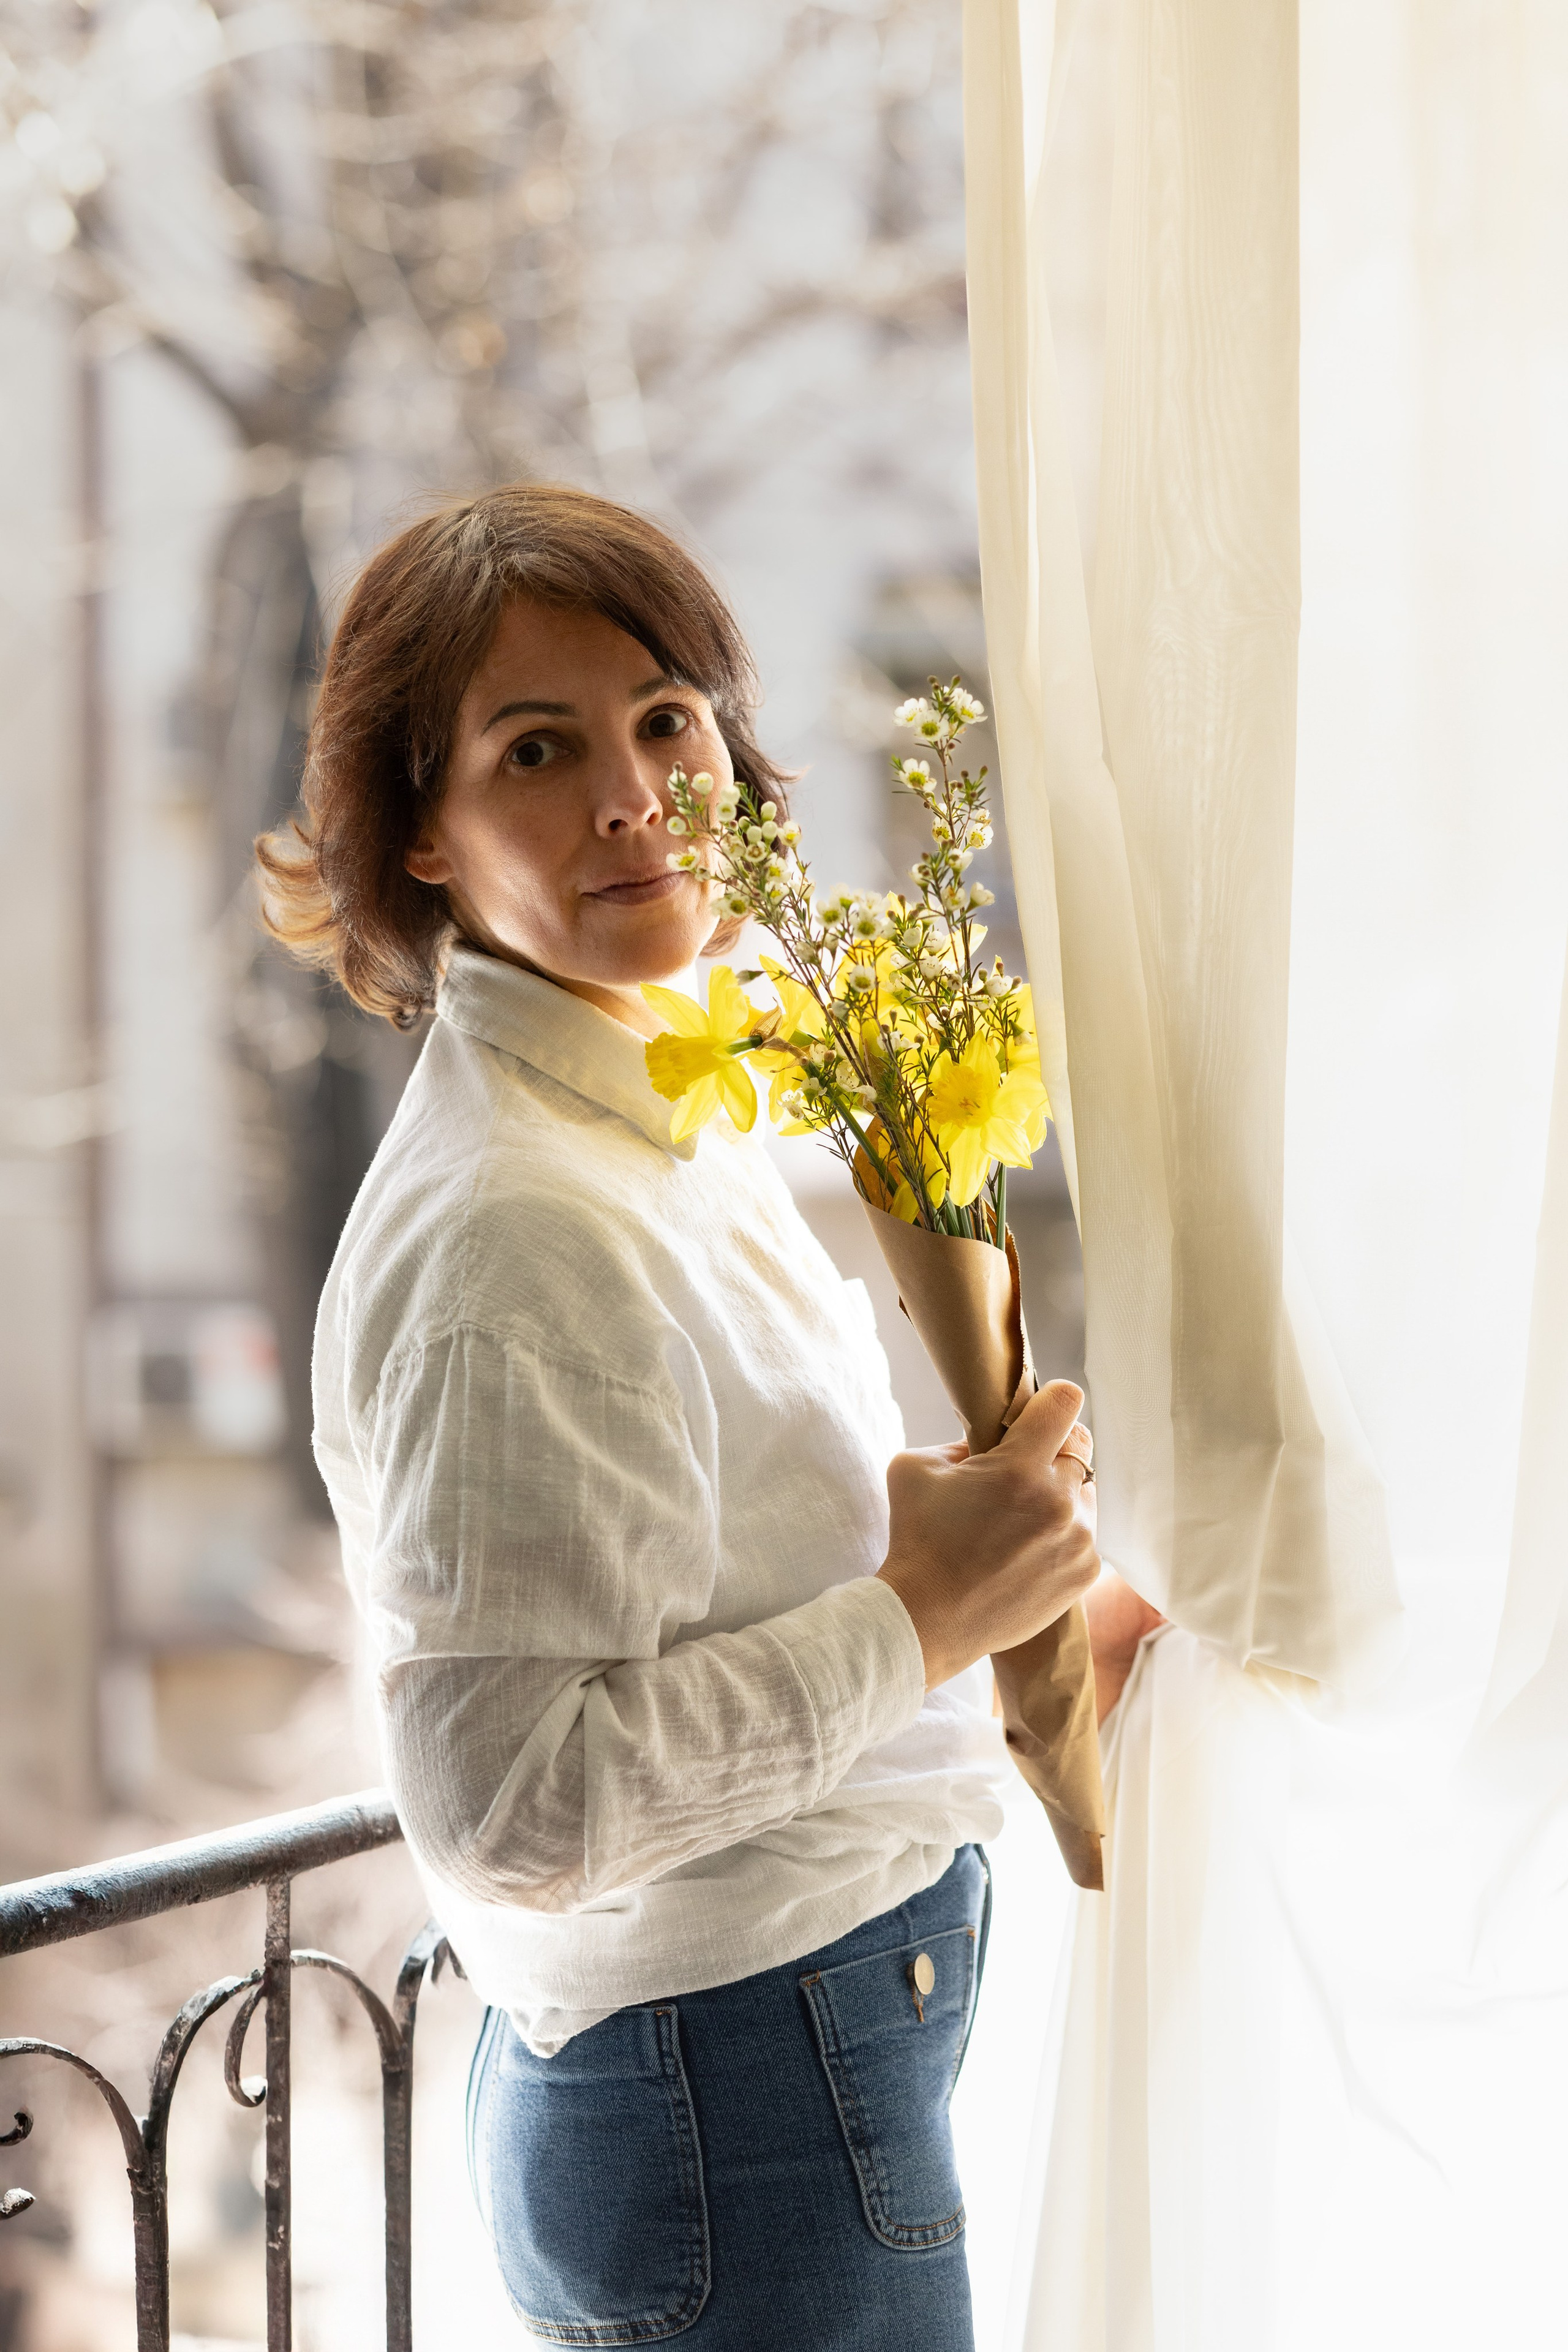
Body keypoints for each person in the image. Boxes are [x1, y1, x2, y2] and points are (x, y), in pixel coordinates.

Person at [258, 482, 1101, 2351]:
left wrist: (1008, 1628)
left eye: (664, 718)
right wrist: (926, 1616)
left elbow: (725, 1585)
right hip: (744, 2096)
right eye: (536, 751)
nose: (634, 794)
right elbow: (513, 1809)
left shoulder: (651, 1092)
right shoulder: (516, 1236)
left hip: (779, 2063)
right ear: (420, 841)